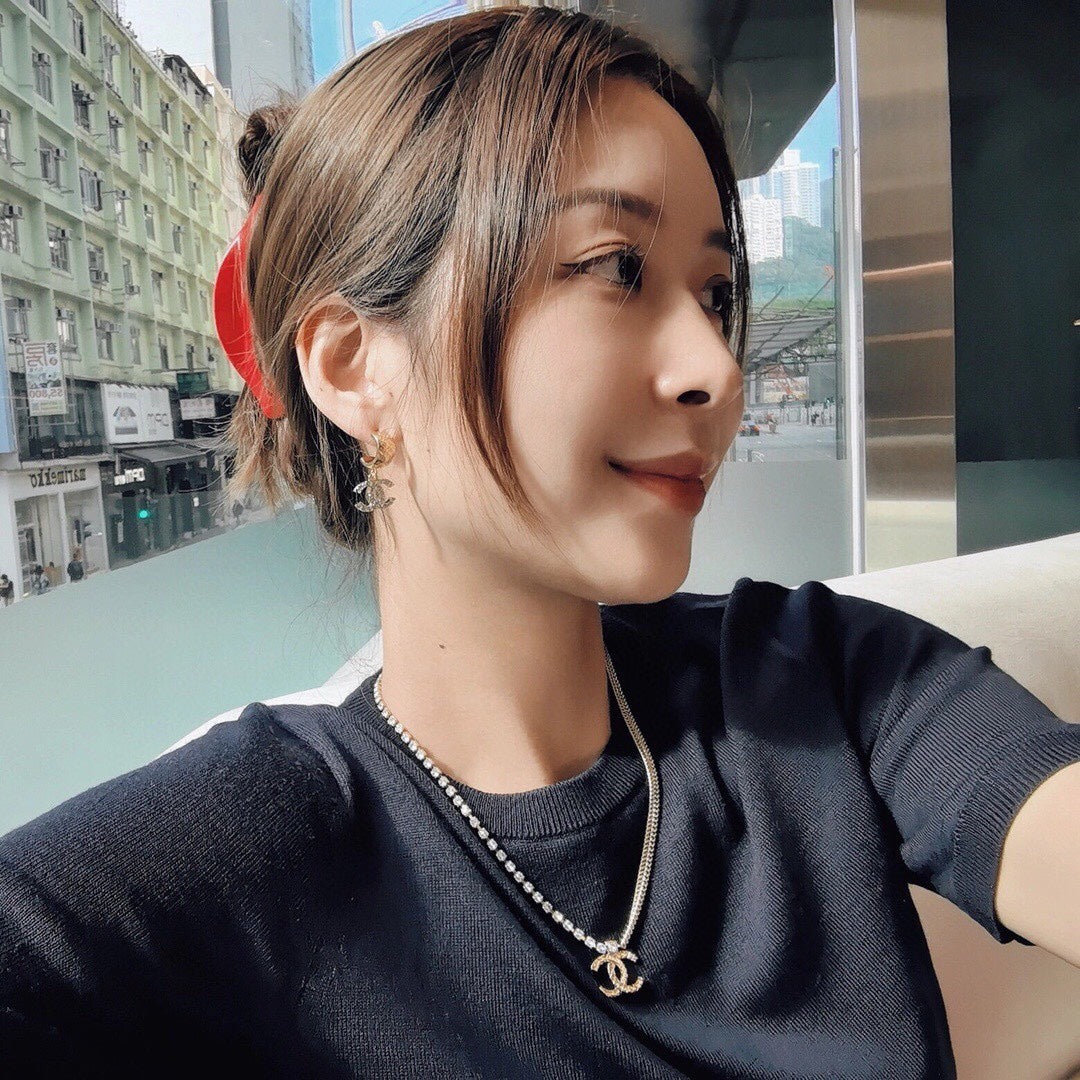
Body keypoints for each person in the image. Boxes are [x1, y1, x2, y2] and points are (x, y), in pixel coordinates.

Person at [1, 9, 1077, 1077]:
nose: (718, 368)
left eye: (715, 293)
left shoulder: (830, 680)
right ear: (353, 366)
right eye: (616, 268)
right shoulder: (245, 842)